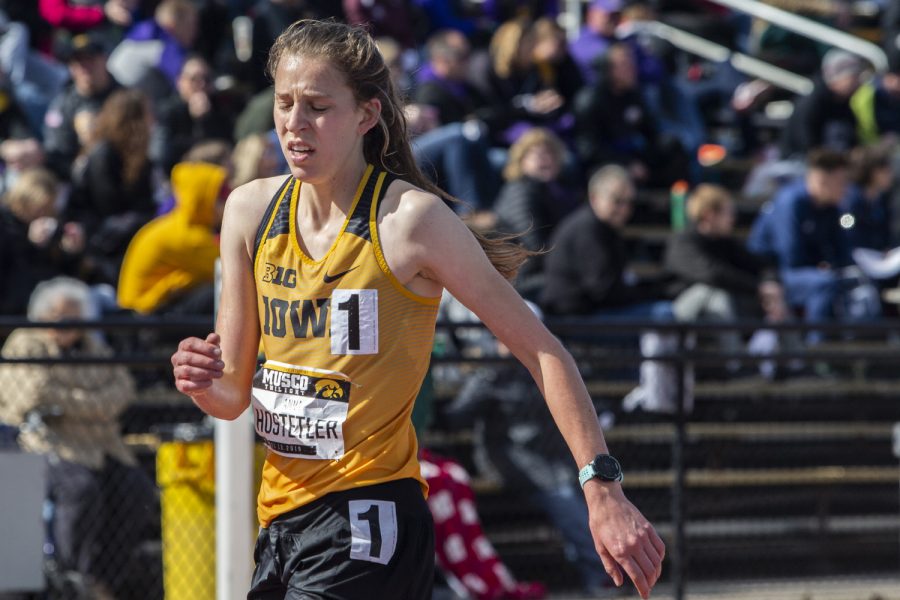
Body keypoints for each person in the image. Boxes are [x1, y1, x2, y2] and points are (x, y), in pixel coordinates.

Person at [170, 19, 664, 600]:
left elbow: (544, 352)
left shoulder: (410, 223)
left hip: (369, 515)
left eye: (317, 106)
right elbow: (231, 396)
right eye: (284, 104)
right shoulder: (251, 211)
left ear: (366, 115)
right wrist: (201, 378)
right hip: (280, 520)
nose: (294, 124)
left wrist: (601, 487)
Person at [0, 276, 159, 599]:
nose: (70, 324)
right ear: (43, 316)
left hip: (102, 444)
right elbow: (29, 394)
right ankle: (70, 574)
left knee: (137, 490)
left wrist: (66, 402)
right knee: (80, 489)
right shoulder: (25, 342)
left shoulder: (92, 345)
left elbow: (122, 391)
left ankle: (103, 580)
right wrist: (92, 402)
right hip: (44, 441)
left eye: (75, 316)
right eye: (61, 316)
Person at [66, 88, 157, 286]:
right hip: (102, 243)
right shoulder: (103, 155)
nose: (152, 121)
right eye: (147, 114)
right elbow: (109, 208)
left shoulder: (140, 158)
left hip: (125, 236)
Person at [117, 161, 228, 315]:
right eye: (221, 198)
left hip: (143, 311)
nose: (227, 204)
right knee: (221, 291)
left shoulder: (179, 224)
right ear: (203, 199)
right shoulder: (189, 237)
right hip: (143, 317)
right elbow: (231, 268)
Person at [494, 127, 579, 301]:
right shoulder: (519, 191)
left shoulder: (555, 192)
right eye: (537, 154)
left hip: (541, 273)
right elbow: (534, 246)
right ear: (521, 160)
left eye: (551, 153)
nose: (546, 159)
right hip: (521, 280)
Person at [0, 168, 85, 316]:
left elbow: (63, 276)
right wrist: (31, 245)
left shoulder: (52, 226)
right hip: (12, 309)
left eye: (47, 207)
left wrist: (70, 252)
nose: (41, 213)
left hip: (44, 305)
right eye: (38, 206)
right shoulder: (4, 223)